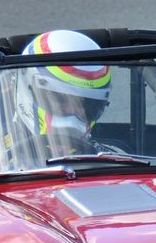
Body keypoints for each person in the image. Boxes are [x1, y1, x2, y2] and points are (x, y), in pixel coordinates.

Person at [18, 30, 113, 158]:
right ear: (28, 89)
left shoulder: (109, 158)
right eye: (61, 98)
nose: (73, 110)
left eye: (87, 103)